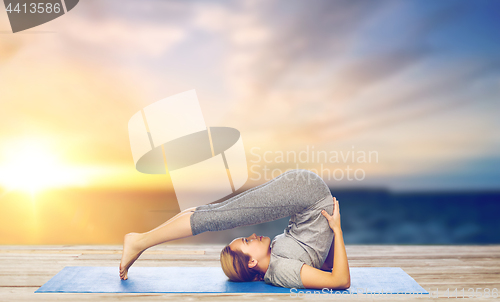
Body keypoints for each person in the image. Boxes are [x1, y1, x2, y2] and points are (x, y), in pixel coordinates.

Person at [119, 169, 350, 289]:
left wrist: (331, 229)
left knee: (216, 214)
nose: (252, 236)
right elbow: (337, 278)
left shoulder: (276, 260)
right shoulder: (281, 270)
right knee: (216, 215)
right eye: (247, 242)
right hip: (307, 193)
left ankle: (140, 240)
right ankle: (139, 242)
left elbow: (324, 265)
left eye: (246, 240)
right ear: (251, 263)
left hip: (305, 193)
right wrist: (336, 230)